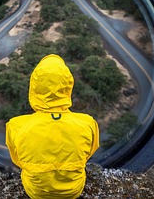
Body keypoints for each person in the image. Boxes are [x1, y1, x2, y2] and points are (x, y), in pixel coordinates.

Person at [6, 54, 100, 199]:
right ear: (68, 87)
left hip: (36, 192)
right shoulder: (88, 123)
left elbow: (18, 160)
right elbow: (87, 155)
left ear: (34, 88)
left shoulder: (15, 126)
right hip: (73, 191)